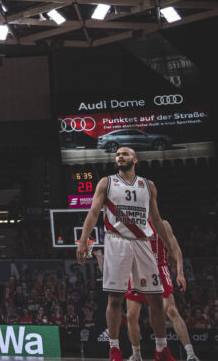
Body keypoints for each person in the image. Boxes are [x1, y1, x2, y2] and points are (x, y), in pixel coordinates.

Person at [76, 147, 175, 361]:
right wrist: (83, 241)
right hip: (117, 242)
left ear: (135, 159)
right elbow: (93, 212)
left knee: (156, 299)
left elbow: (156, 220)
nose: (120, 157)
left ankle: (161, 350)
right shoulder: (107, 182)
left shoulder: (148, 186)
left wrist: (169, 247)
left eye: (125, 154)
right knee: (115, 299)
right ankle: (115, 349)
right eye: (118, 154)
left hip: (143, 242)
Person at [123, 220, 196, 361]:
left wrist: (180, 273)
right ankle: (136, 354)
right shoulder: (133, 223)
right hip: (138, 270)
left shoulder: (163, 224)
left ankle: (191, 354)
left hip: (159, 268)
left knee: (171, 310)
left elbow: (177, 250)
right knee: (131, 315)